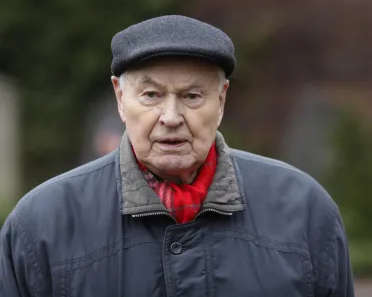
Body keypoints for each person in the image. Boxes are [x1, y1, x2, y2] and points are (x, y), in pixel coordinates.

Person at [0, 15, 354, 297]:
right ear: (120, 98)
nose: (171, 117)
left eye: (192, 96)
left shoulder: (304, 209)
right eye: (152, 95)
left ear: (222, 100)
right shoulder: (41, 225)